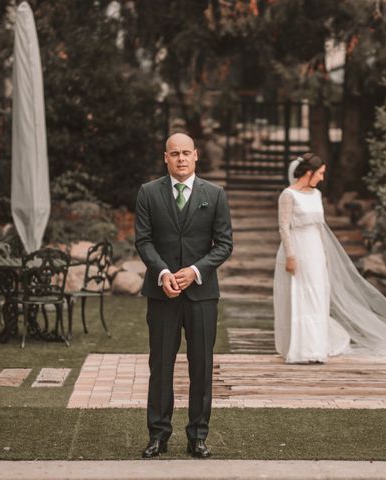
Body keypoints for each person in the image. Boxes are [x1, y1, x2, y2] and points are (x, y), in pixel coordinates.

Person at [273, 153, 386, 363]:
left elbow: (320, 227)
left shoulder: (316, 195)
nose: (322, 178)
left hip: (315, 250)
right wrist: (291, 255)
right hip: (298, 248)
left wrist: (325, 255)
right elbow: (284, 227)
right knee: (300, 295)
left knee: (318, 295)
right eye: (320, 173)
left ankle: (315, 348)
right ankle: (300, 349)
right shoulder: (288, 195)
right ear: (308, 173)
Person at [134, 133, 233, 459]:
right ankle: (158, 436)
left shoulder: (215, 194)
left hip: (202, 294)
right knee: (160, 365)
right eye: (174, 153)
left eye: (185, 153)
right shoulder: (148, 193)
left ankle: (198, 437)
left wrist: (195, 271)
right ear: (165, 157)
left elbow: (224, 244)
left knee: (201, 367)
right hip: (162, 294)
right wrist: (162, 273)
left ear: (196, 156)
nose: (180, 158)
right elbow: (144, 240)